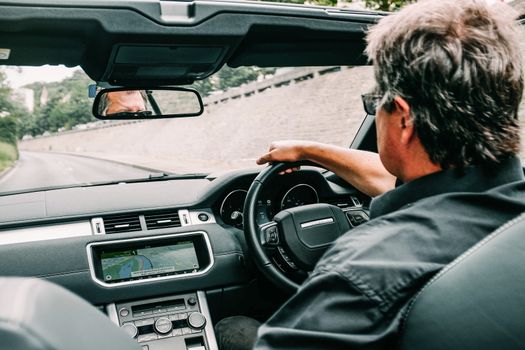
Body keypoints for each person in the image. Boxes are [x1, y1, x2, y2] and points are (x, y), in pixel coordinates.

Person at [216, 0, 525, 349]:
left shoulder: (362, 271)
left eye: (375, 100)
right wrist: (308, 151)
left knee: (233, 328)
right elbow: (410, 184)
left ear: (404, 118)